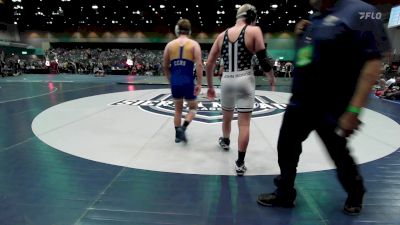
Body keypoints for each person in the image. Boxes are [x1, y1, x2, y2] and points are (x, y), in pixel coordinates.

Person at [256, 0, 391, 215]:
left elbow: (372, 63)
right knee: (287, 146)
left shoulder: (360, 11)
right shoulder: (316, 19)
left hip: (332, 103)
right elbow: (306, 58)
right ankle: (285, 192)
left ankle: (356, 191)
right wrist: (301, 36)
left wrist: (354, 110)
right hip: (301, 102)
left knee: (337, 151)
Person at [205, 4, 275, 176]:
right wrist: (271, 78)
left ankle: (226, 140)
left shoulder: (222, 35)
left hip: (227, 80)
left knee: (227, 117)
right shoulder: (254, 31)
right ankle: (240, 163)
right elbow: (264, 61)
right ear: (251, 17)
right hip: (245, 79)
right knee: (244, 123)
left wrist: (211, 86)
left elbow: (209, 64)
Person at [162, 19, 203, 143]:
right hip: (188, 80)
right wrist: (200, 83)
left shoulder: (169, 45)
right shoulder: (194, 44)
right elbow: (199, 65)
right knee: (193, 108)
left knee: (178, 110)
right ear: (189, 31)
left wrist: (170, 79)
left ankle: (177, 136)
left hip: (175, 80)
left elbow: (165, 66)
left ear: (177, 30)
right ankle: (183, 128)